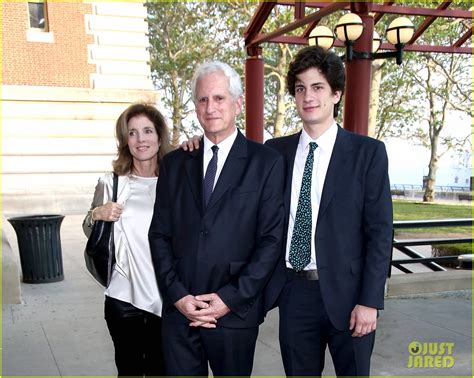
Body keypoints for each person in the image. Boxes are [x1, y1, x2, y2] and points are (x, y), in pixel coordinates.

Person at [148, 61, 286, 377]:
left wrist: (229, 299)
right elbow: (159, 235)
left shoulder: (265, 163)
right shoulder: (174, 164)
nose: (211, 107)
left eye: (219, 98)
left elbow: (271, 241)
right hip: (180, 313)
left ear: (237, 103)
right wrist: (178, 295)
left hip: (234, 313)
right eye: (202, 99)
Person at [264, 46, 393, 376]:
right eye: (300, 88)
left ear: (336, 93)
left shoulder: (368, 154)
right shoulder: (274, 152)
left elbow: (380, 233)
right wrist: (197, 146)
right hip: (294, 294)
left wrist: (370, 301)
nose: (308, 96)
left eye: (318, 87)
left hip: (351, 299)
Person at [83, 103, 172, 377]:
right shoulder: (111, 182)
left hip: (166, 297)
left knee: (162, 370)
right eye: (132, 133)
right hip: (124, 297)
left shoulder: (176, 179)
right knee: (130, 370)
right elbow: (89, 228)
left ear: (159, 136)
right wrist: (97, 213)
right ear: (125, 140)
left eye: (147, 131)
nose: (141, 139)